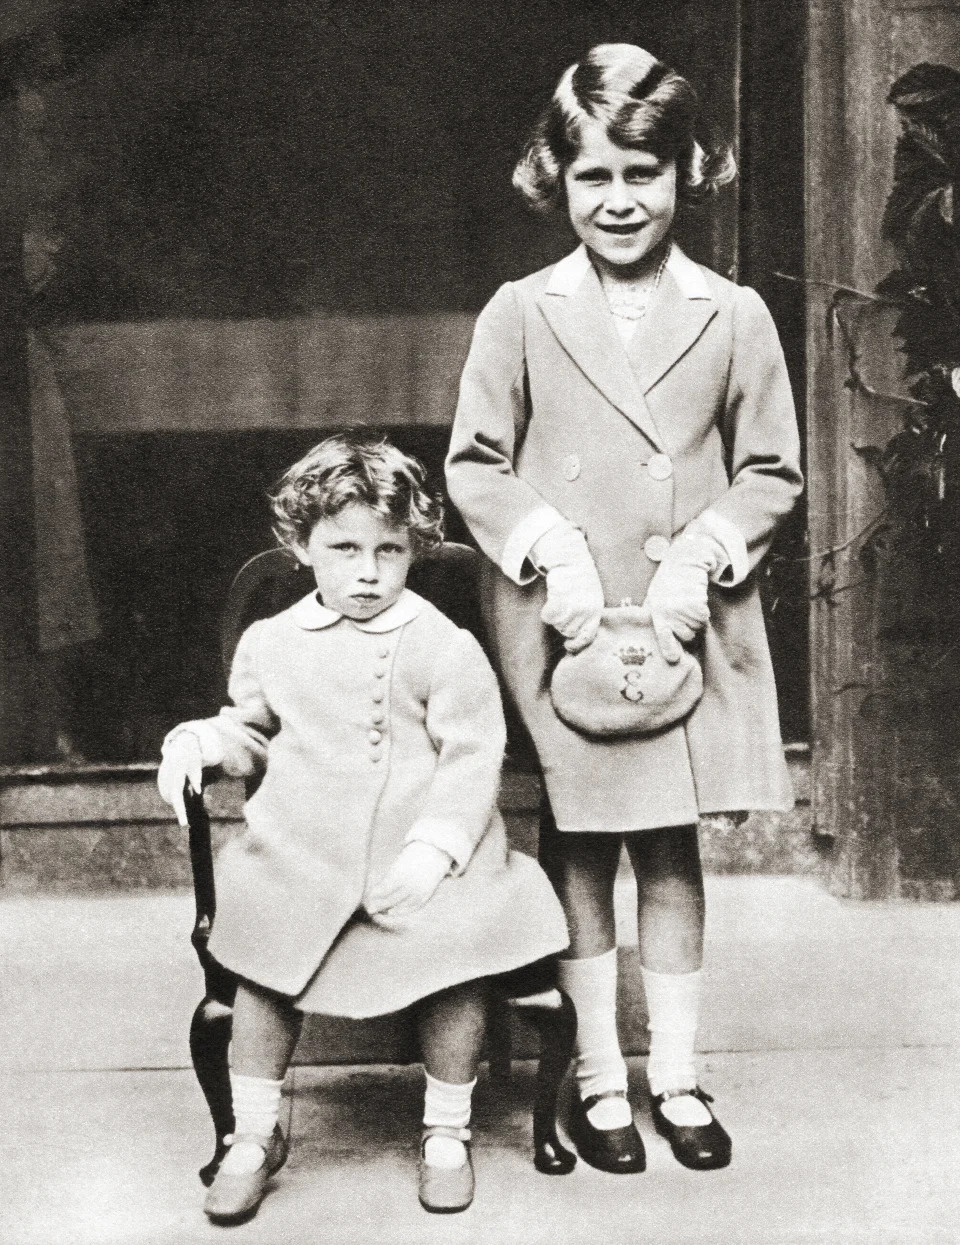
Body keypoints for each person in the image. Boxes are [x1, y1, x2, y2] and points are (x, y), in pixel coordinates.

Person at [446, 42, 802, 1175]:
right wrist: (548, 546)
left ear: (688, 170)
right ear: (555, 177)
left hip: (684, 620)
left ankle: (679, 1077)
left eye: (641, 174)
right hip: (572, 625)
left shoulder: (735, 313)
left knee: (672, 850)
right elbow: (476, 463)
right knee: (585, 849)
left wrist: (708, 551)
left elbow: (772, 471)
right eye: (592, 175)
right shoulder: (521, 310)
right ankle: (601, 1077)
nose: (617, 200)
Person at [157, 434, 569, 1222]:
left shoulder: (442, 646)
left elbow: (473, 754)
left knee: (455, 956)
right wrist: (205, 742)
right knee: (265, 962)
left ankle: (447, 1130)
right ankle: (253, 1132)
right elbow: (251, 730)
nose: (368, 571)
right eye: (343, 548)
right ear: (301, 544)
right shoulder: (273, 643)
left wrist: (436, 847)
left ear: (415, 550)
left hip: (422, 854)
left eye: (390, 549)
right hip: (306, 850)